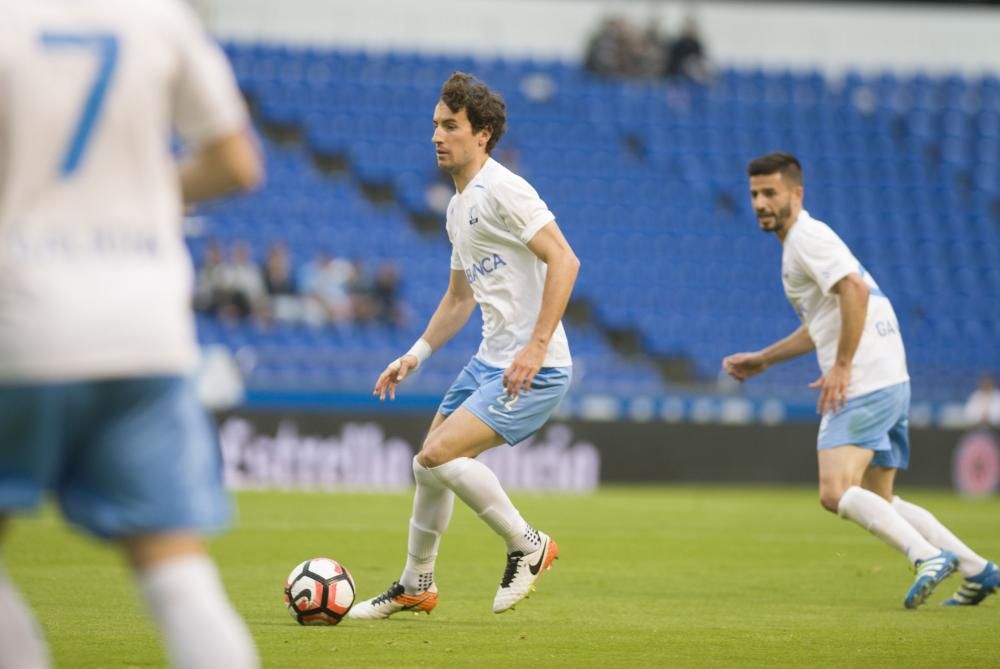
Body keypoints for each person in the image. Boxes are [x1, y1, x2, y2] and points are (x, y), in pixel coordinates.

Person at [0, 2, 263, 667]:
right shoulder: (158, 16)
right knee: (175, 572)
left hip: (21, 324)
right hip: (144, 329)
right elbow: (236, 162)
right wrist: (143, 198)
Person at [722, 152, 998, 609]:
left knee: (835, 491)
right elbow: (824, 322)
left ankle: (927, 556)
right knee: (876, 496)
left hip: (864, 378)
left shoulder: (806, 238)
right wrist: (765, 359)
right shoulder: (802, 244)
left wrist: (843, 365)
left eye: (770, 193)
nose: (759, 203)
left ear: (797, 194)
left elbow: (854, 290)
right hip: (890, 374)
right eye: (754, 194)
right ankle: (979, 570)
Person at [349, 72, 579, 619]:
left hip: (534, 366)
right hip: (491, 360)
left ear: (483, 134)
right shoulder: (458, 207)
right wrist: (415, 355)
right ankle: (415, 584)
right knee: (427, 466)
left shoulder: (504, 189)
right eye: (435, 125)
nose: (437, 135)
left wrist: (536, 346)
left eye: (450, 126)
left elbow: (565, 260)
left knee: (438, 454)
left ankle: (528, 544)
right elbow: (459, 299)